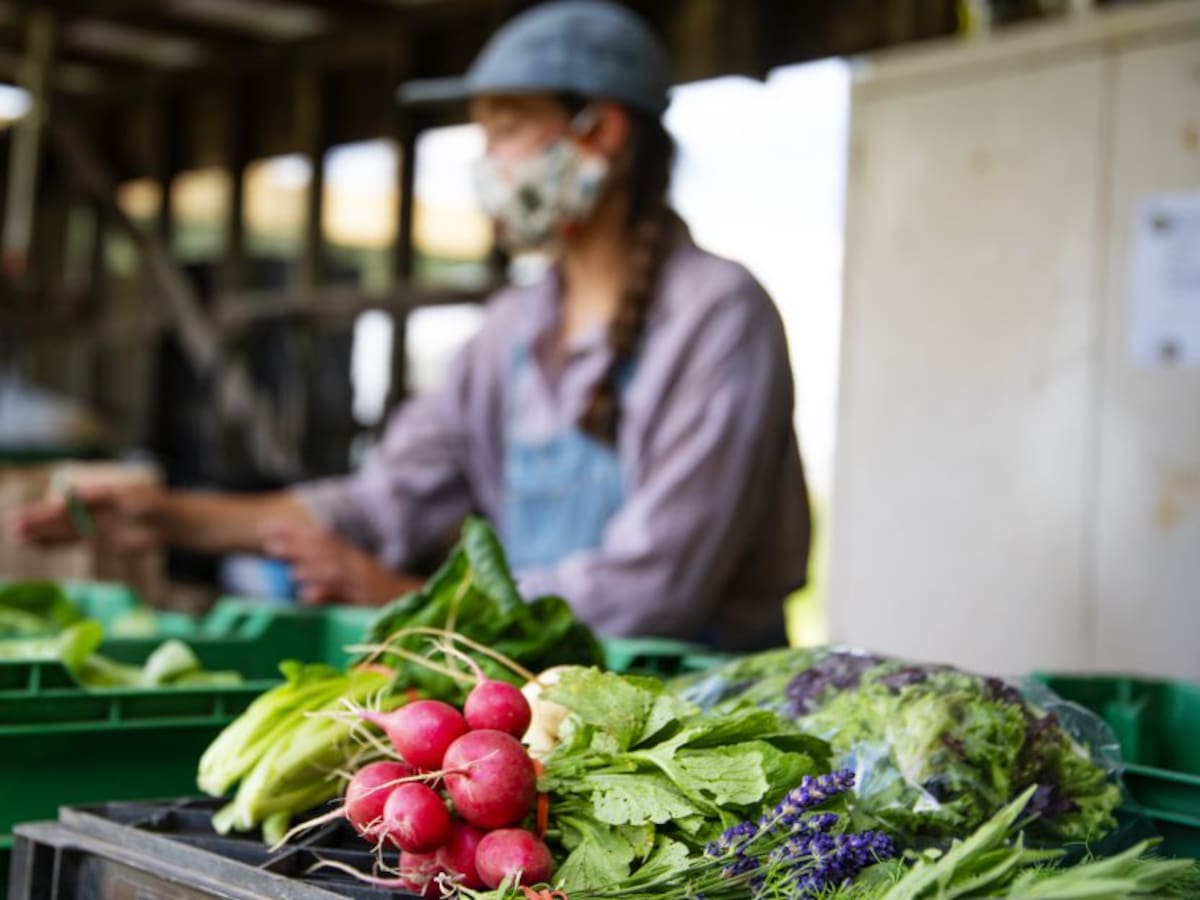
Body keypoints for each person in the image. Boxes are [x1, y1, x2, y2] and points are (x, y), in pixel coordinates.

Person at [7, 0, 810, 651]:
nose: (485, 161)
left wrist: (404, 599)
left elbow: (653, 588)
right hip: (548, 688)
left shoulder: (716, 314)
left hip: (699, 711)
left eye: (505, 129)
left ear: (598, 133)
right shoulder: (512, 330)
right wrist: (166, 516)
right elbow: (380, 504)